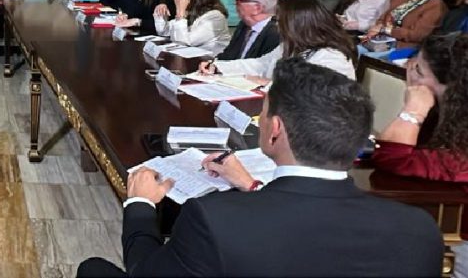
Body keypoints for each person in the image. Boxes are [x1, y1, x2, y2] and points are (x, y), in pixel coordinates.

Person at [77, 58, 443, 277]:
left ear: (275, 130)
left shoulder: (212, 219)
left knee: (93, 268)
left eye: (263, 112)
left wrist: (141, 205)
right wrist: (251, 186)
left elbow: (145, 272)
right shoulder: (419, 229)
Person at [373, 33, 468, 182]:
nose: (409, 72)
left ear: (451, 87)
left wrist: (414, 111)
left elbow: (391, 158)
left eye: (418, 70)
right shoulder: (451, 116)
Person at [202, 0, 356, 82]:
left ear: (297, 25)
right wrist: (218, 67)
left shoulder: (331, 57)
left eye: (280, 21)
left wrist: (267, 84)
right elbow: (261, 64)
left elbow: (309, 96)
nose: (277, 26)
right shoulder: (291, 45)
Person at [153, 0, 231, 55]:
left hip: (213, 60)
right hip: (193, 58)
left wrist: (180, 12)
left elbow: (185, 43)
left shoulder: (215, 17)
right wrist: (160, 13)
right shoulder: (191, 13)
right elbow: (163, 31)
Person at [217, 0, 282, 61]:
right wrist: (211, 64)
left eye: (239, 1)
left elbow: (261, 66)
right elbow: (227, 56)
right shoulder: (243, 25)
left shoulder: (276, 34)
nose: (235, 5)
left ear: (257, 8)